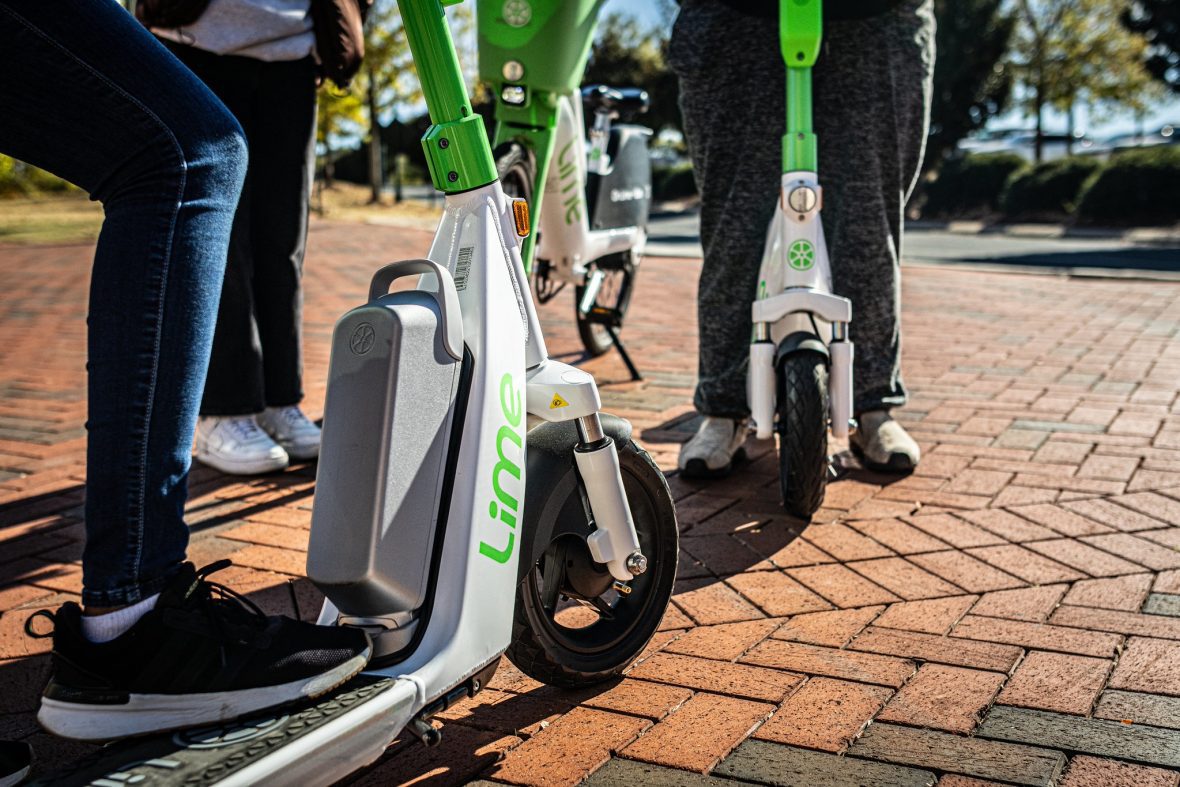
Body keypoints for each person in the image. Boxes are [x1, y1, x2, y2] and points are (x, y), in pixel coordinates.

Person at [1, 0, 368, 741]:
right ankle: (134, 619)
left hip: (290, 53)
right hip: (199, 30)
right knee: (187, 154)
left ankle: (137, 605)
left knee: (247, 211)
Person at [670, 0, 935, 477]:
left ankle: (870, 402)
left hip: (874, 18)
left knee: (867, 219)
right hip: (734, 19)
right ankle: (725, 407)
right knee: (735, 223)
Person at [147, 0, 324, 476]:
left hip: (294, 55)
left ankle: (278, 400)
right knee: (221, 236)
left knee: (283, 240)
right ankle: (221, 411)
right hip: (197, 41)